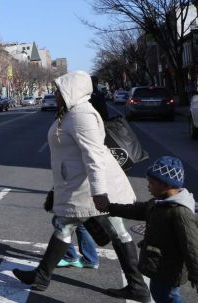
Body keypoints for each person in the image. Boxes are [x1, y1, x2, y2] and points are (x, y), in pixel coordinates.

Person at [13, 70, 150, 302]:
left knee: (77, 227)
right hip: (81, 184)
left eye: (59, 90)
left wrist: (99, 192)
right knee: (85, 228)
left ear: (71, 90)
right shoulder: (70, 113)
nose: (55, 94)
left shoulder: (81, 115)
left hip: (92, 187)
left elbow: (93, 156)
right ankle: (136, 286)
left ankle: (42, 276)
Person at [102, 156, 198, 303]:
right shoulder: (160, 203)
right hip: (159, 266)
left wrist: (196, 275)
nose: (148, 186)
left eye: (152, 183)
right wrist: (111, 208)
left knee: (168, 297)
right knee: (160, 294)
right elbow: (137, 210)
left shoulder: (180, 212)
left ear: (166, 185)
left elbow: (192, 246)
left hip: (169, 270)